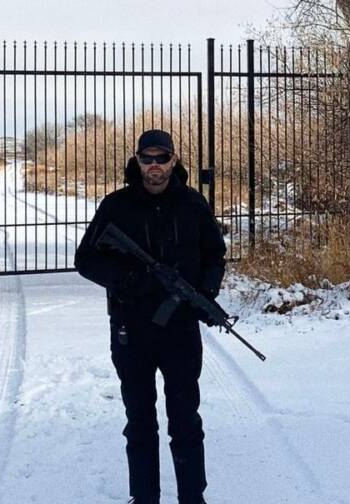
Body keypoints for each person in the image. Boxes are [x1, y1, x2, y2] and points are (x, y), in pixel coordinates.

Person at [74, 129, 227, 504]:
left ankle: (193, 497)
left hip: (180, 332)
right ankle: (144, 498)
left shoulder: (193, 205)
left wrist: (204, 294)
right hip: (132, 330)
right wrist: (130, 281)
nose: (155, 166)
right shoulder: (117, 206)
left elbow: (214, 255)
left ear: (174, 160)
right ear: (137, 160)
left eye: (162, 158)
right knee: (140, 422)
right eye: (148, 158)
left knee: (186, 420)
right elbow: (86, 260)